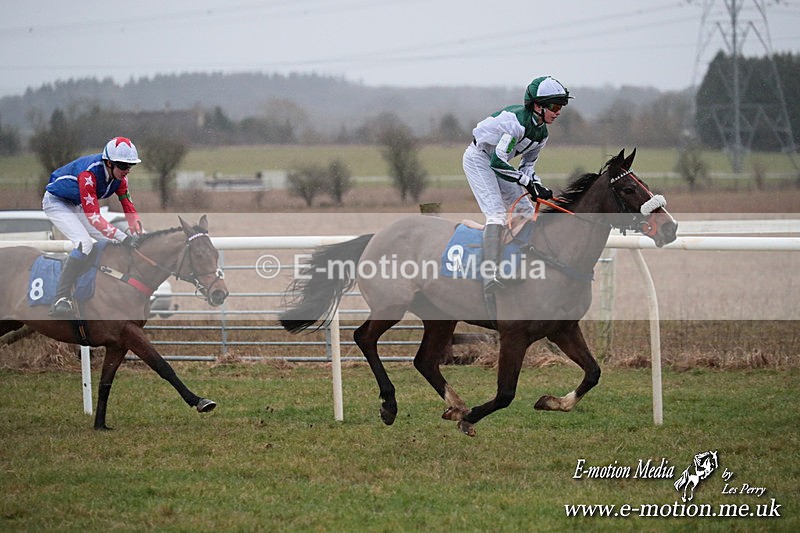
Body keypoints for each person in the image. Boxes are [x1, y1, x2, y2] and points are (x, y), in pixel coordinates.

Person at [463, 75, 571, 293]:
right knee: (496, 214)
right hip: (480, 159)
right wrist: (527, 183)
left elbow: (527, 168)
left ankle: (518, 264)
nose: (558, 111)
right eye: (554, 106)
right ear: (537, 105)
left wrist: (537, 184)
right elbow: (497, 162)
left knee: (526, 210)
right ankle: (489, 273)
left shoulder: (542, 134)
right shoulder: (516, 124)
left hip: (499, 162)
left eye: (561, 106)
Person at [42, 136, 144, 317]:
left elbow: (128, 206)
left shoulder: (120, 178)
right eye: (122, 165)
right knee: (84, 244)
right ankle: (61, 297)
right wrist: (124, 237)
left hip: (76, 203)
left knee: (112, 243)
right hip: (57, 202)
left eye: (130, 166)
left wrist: (136, 230)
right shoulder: (88, 175)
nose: (126, 170)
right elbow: (95, 219)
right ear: (109, 163)